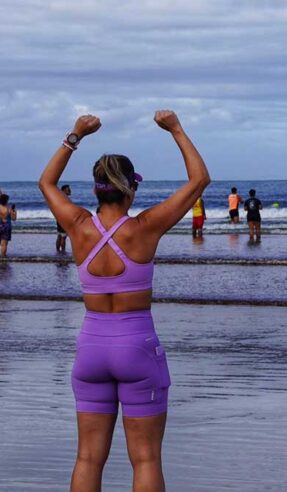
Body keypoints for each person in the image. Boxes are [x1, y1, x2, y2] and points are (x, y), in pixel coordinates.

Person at [38, 111, 210, 490]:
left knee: (87, 457)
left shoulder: (78, 226)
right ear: (131, 188)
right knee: (145, 458)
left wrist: (76, 135)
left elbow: (46, 182)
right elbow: (200, 179)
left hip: (91, 350)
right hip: (137, 348)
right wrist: (176, 130)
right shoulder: (144, 228)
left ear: (97, 188)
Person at [56, 184, 72, 252]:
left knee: (59, 235)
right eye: (68, 190)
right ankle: (63, 251)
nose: (70, 191)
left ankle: (58, 251)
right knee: (63, 236)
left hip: (59, 217)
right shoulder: (65, 199)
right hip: (64, 218)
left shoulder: (59, 198)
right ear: (63, 191)